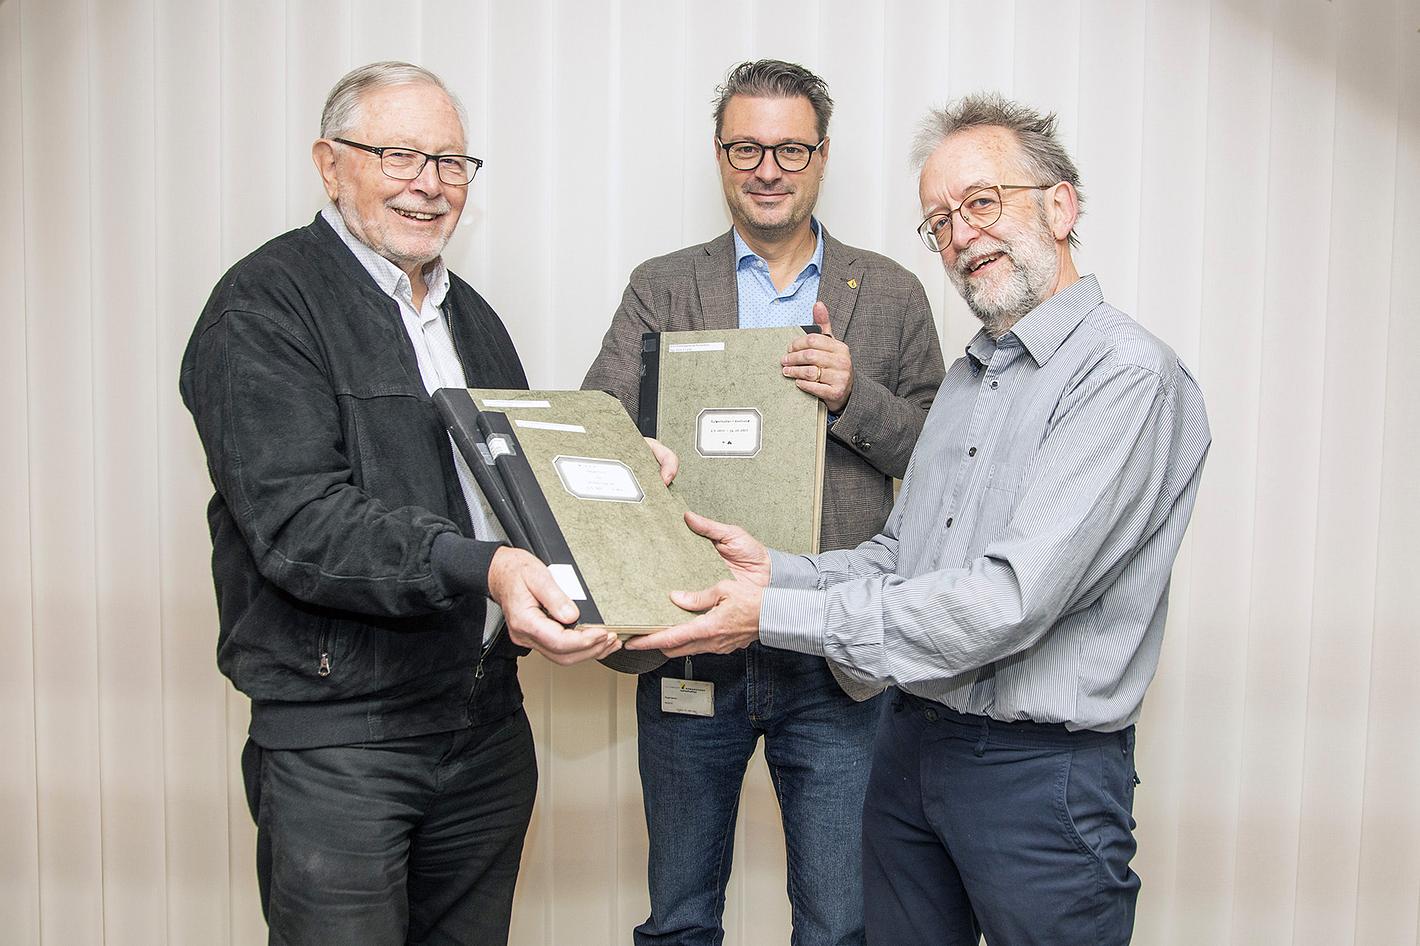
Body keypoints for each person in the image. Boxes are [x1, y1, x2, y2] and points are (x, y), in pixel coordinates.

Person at [628, 92, 1211, 946]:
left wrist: (774, 611)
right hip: (912, 743)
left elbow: (1007, 601)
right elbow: (902, 555)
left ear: (1061, 207)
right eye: (940, 221)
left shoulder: (1123, 377)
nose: (960, 235)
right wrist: (771, 569)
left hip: (1037, 775)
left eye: (982, 203)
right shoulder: (974, 375)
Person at [180, 61, 624, 946]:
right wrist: (485, 569)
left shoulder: (474, 319)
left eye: (451, 162)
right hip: (344, 745)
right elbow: (299, 523)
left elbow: (511, 490)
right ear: (329, 163)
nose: (430, 183)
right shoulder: (264, 305)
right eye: (399, 155)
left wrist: (617, 482)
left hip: (485, 728)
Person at [583, 60, 945, 946]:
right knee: (679, 918)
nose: (768, 168)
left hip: (833, 652)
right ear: (720, 155)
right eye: (747, 147)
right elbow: (598, 430)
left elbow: (941, 462)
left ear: (822, 156)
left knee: (838, 924)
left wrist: (855, 396)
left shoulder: (890, 291)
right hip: (693, 637)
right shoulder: (663, 286)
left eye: (790, 148)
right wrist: (638, 453)